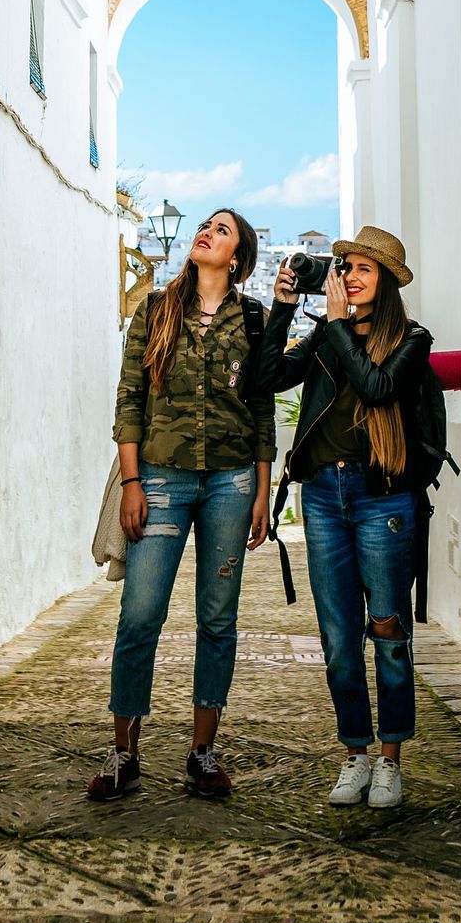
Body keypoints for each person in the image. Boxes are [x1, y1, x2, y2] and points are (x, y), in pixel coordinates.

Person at [88, 209, 274, 802]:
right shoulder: (156, 309)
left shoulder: (255, 319)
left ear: (237, 256)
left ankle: (202, 753)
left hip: (231, 482)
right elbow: (129, 396)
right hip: (162, 479)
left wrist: (263, 489)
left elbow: (263, 408)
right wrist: (133, 482)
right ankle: (124, 753)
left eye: (222, 231)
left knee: (217, 620)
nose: (207, 233)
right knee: (140, 616)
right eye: (205, 226)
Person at [258, 225, 431, 809]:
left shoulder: (412, 338)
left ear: (384, 283)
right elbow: (268, 379)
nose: (349, 276)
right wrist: (283, 310)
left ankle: (390, 760)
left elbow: (379, 389)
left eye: (363, 269)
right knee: (337, 639)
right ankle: (355, 753)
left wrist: (333, 327)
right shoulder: (327, 337)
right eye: (345, 266)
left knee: (386, 629)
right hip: (324, 499)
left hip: (383, 499)